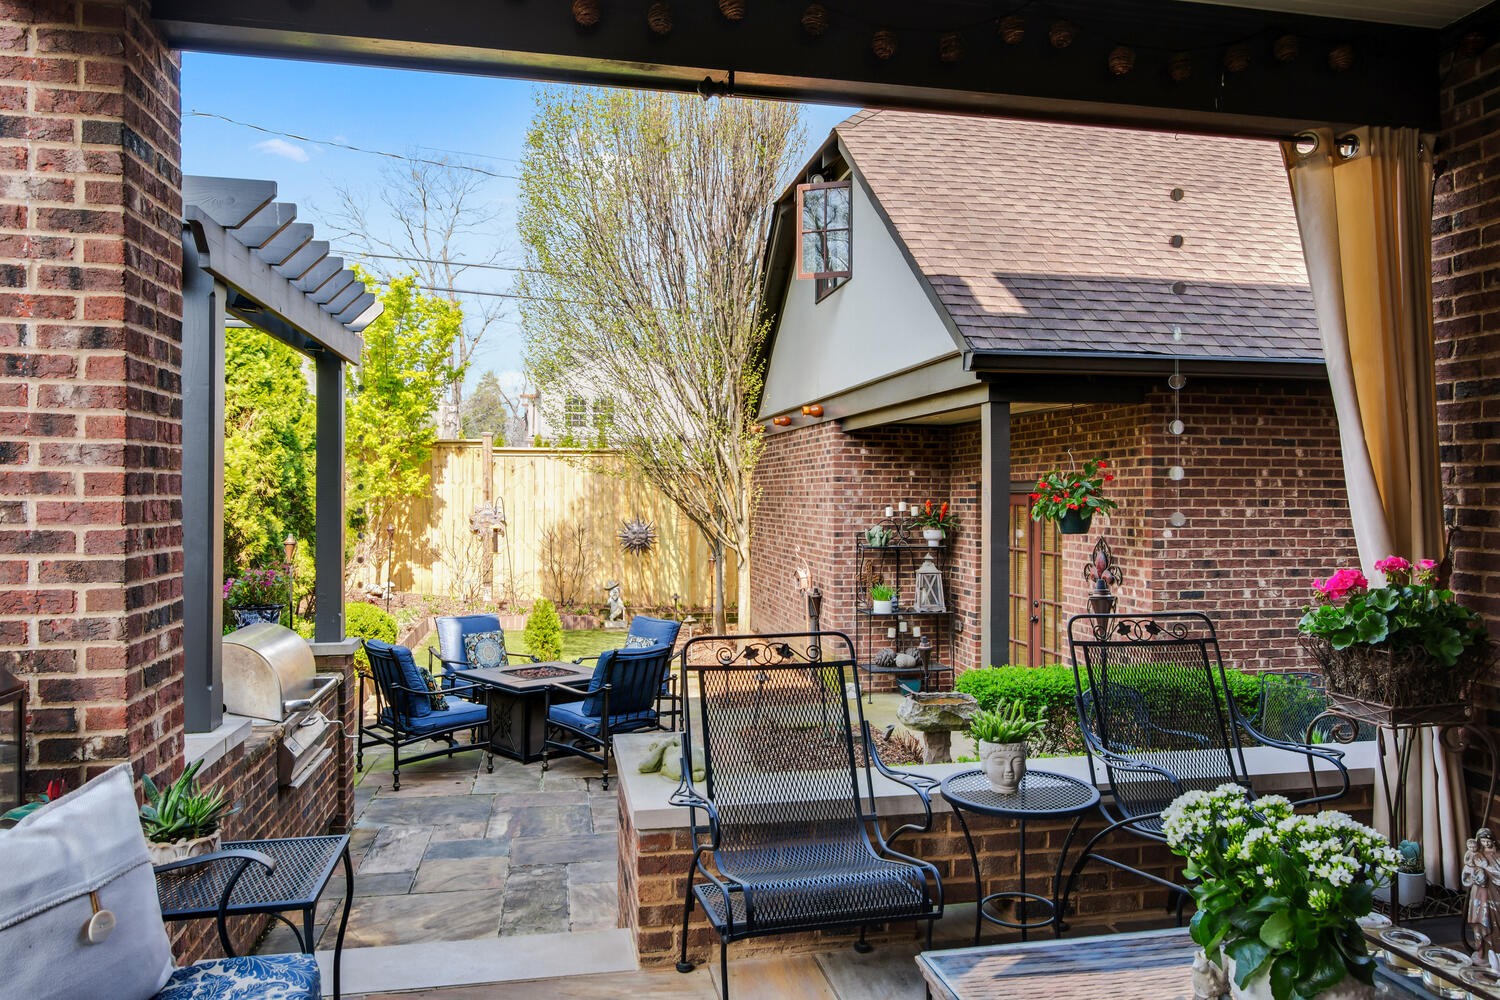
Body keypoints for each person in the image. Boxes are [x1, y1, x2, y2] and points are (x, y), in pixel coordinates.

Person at [1464, 828, 1500, 963]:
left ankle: (1495, 956)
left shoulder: (1498, 856)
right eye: (1483, 841)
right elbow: (1467, 871)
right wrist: (1474, 871)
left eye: (1488, 841)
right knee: (1480, 921)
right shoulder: (1476, 854)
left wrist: (1487, 869)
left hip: (1494, 895)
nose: (1486, 844)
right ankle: (1482, 953)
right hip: (1478, 894)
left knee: (1493, 923)